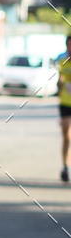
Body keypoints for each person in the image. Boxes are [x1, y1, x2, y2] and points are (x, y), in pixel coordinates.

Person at [56, 35, 71, 182]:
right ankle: (65, 166)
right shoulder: (62, 62)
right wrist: (60, 83)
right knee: (67, 136)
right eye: (69, 46)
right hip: (65, 103)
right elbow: (58, 82)